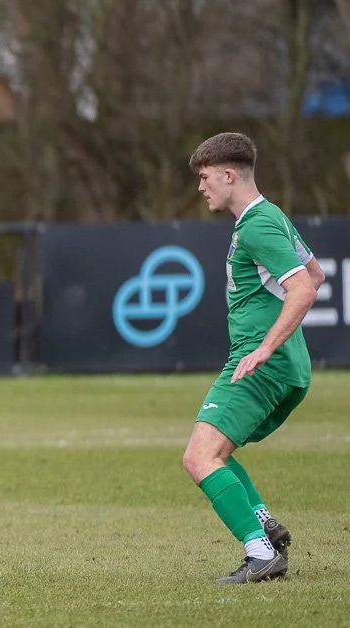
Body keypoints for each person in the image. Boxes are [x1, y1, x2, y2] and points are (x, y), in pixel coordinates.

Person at [183, 132, 325, 583]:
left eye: (205, 178)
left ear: (229, 175)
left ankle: (260, 553)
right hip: (288, 368)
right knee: (219, 450)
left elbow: (302, 288)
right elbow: (317, 273)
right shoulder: (270, 216)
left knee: (199, 457)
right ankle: (264, 524)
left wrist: (265, 346)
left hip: (261, 364)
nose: (201, 187)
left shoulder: (258, 225)